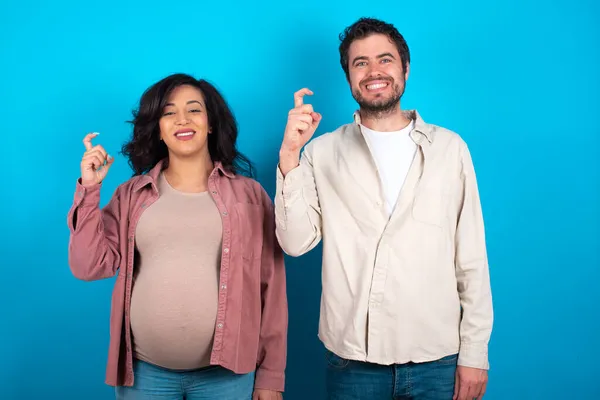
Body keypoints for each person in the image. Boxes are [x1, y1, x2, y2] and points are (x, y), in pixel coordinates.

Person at [274, 17, 493, 400]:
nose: (374, 71)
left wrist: (475, 353)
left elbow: (471, 259)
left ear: (405, 68)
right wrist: (290, 155)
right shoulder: (322, 151)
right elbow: (294, 243)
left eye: (385, 60)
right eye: (361, 63)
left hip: (437, 360)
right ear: (348, 78)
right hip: (352, 363)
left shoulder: (449, 149)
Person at [67, 73, 287, 400]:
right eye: (168, 112)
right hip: (145, 375)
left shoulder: (250, 197)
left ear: (211, 123)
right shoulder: (131, 195)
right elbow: (88, 266)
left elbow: (272, 291)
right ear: (158, 128)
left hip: (227, 378)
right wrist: (89, 189)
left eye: (194, 110)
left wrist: (270, 378)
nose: (181, 119)